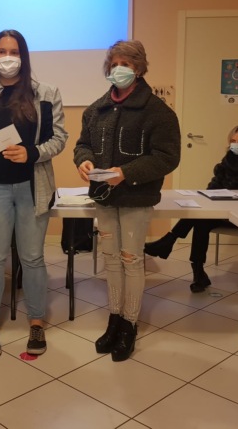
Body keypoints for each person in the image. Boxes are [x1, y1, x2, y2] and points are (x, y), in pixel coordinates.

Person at [0, 29, 67, 357]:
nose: (8, 58)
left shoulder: (45, 93)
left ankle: (37, 322)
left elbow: (59, 138)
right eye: (2, 52)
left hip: (33, 187)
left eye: (14, 52)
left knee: (32, 258)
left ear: (24, 56)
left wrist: (31, 153)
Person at [74, 39, 180, 362]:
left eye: (126, 64)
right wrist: (83, 160)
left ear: (139, 68)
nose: (118, 69)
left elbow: (167, 157)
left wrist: (127, 172)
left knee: (131, 260)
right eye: (114, 63)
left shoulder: (158, 112)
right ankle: (114, 318)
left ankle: (129, 324)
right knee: (110, 260)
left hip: (136, 196)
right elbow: (82, 145)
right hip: (104, 197)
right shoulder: (96, 110)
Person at [144, 125, 238, 292]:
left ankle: (169, 240)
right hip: (225, 213)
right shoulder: (227, 161)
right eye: (233, 141)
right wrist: (211, 195)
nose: (236, 144)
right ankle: (198, 272)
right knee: (200, 219)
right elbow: (213, 187)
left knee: (200, 219)